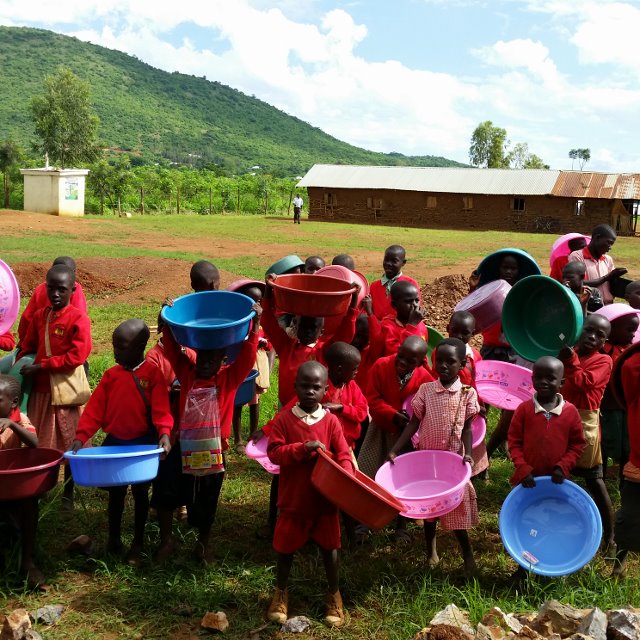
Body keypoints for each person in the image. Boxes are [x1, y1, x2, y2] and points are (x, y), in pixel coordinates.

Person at [152, 301, 261, 564]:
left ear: (223, 360)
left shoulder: (228, 379)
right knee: (168, 488)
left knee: (207, 497)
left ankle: (203, 544)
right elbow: (174, 353)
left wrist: (255, 326)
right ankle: (166, 540)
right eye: (201, 357)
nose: (203, 363)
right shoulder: (188, 375)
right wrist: (164, 322)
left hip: (213, 451)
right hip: (182, 445)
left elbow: (247, 355)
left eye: (211, 359)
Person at [70, 320, 172, 565]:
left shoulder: (152, 374)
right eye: (115, 345)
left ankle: (138, 543)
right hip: (115, 442)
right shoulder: (111, 376)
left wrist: (164, 433)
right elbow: (95, 410)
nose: (115, 351)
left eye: (121, 346)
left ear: (139, 346)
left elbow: (161, 408)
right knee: (115, 493)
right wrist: (81, 436)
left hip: (142, 444)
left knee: (140, 493)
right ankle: (113, 539)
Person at [265, 361, 354, 627]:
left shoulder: (331, 422)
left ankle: (333, 594)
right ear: (295, 387)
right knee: (285, 549)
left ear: (325, 390)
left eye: (316, 387)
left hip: (324, 502)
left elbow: (343, 454)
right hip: (294, 501)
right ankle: (281, 592)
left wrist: (345, 475)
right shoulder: (283, 419)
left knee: (330, 549)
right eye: (304, 386)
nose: (310, 392)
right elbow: (274, 453)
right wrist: (302, 449)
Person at [386, 338, 480, 576]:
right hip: (428, 460)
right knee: (430, 510)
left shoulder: (467, 394)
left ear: (462, 365)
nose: (444, 366)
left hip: (453, 460)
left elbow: (468, 428)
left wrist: (468, 453)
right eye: (440, 361)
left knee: (456, 510)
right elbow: (413, 422)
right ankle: (431, 552)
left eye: (451, 362)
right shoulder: (426, 390)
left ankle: (468, 557)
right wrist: (396, 448)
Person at [19, 264, 92, 510]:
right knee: (42, 446)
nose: (55, 294)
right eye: (51, 288)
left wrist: (41, 366)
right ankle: (40, 491)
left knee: (70, 445)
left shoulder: (78, 318)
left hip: (65, 396)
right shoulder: (41, 316)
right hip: (41, 394)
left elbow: (77, 356)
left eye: (61, 289)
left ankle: (68, 494)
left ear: (73, 289)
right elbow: (28, 345)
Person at [507, 356, 586, 582]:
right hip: (528, 483)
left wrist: (563, 466)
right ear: (532, 379)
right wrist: (522, 468)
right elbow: (514, 441)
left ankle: (550, 566)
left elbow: (577, 444)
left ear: (562, 383)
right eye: (538, 377)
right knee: (526, 523)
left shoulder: (570, 412)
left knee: (552, 524)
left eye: (550, 378)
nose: (543, 382)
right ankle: (524, 566)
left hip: (555, 484)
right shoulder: (523, 410)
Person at [357, 336, 433, 543]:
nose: (402, 363)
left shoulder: (425, 379)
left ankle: (401, 525)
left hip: (407, 438)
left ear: (419, 362)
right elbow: (372, 398)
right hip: (381, 430)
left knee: (404, 479)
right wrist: (391, 414)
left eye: (410, 361)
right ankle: (366, 521)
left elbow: (425, 406)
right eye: (401, 357)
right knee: (370, 473)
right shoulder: (381, 366)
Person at [558, 314, 614, 550]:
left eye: (599, 336)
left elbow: (583, 382)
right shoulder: (570, 352)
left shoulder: (603, 361)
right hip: (562, 418)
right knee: (560, 474)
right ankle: (563, 526)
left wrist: (570, 360)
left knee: (594, 479)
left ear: (604, 342)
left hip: (585, 423)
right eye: (589, 330)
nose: (592, 337)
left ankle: (610, 536)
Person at [0, 374, 43, 589]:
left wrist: (12, 425)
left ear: (13, 403)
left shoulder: (21, 420)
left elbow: (35, 443)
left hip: (13, 487)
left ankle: (27, 560)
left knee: (30, 504)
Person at [229, 281, 271, 453]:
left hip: (257, 365)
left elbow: (270, 344)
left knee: (255, 401)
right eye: (251, 300)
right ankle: (237, 438)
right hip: (241, 364)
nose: (256, 305)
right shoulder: (238, 321)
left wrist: (263, 343)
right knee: (237, 401)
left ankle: (253, 434)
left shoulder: (263, 323)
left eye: (259, 301)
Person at [598, 309, 639, 487]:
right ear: (611, 329)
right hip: (607, 406)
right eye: (629, 330)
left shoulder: (631, 352)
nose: (633, 335)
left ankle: (625, 479)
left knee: (627, 445)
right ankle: (601, 477)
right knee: (606, 442)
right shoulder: (600, 350)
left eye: (635, 330)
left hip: (626, 407)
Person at [447, 310, 488, 480]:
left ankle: (479, 470)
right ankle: (454, 469)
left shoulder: (475, 356)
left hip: (471, 405)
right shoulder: (442, 352)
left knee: (475, 438)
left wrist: (481, 404)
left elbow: (478, 382)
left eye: (465, 333)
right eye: (455, 330)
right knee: (454, 437)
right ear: (448, 328)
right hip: (450, 404)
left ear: (473, 334)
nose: (459, 336)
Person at [17, 256, 88, 345]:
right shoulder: (72, 289)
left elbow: (27, 318)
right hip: (56, 341)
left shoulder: (42, 287)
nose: (55, 294)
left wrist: (23, 341)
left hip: (47, 340)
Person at [613, 343, 640, 576]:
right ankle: (618, 564)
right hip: (638, 466)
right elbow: (630, 366)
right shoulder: (634, 374)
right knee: (630, 516)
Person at [567, 224, 627, 305]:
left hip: (608, 306)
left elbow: (612, 285)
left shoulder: (608, 259)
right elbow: (577, 283)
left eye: (612, 244)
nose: (610, 247)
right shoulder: (577, 256)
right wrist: (607, 277)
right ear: (597, 238)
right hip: (589, 308)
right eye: (609, 242)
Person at [369, 245, 421, 321]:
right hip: (377, 329)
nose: (389, 264)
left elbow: (415, 311)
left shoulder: (410, 284)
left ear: (403, 263)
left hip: (401, 330)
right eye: (386, 260)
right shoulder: (373, 286)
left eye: (394, 261)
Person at [376, 280, 428, 356]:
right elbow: (400, 357)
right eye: (408, 301)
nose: (415, 305)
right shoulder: (387, 327)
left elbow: (423, 355)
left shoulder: (421, 326)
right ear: (394, 305)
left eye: (416, 300)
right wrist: (412, 326)